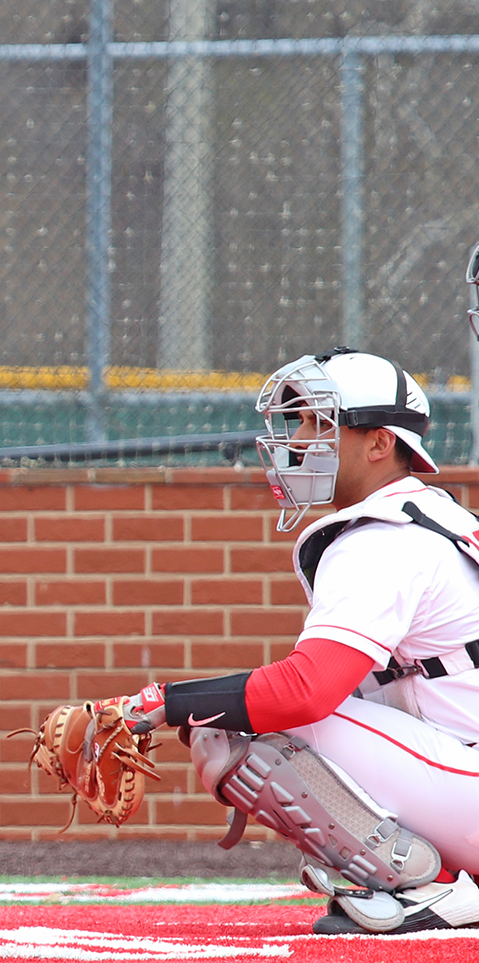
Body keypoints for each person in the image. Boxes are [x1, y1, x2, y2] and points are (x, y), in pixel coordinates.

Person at [103, 348, 479, 935]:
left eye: (318, 424)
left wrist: (152, 704)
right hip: (464, 770)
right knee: (256, 709)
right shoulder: (428, 516)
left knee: (234, 723)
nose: (299, 439)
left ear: (380, 443)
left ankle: (428, 886)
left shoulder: (385, 538)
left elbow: (305, 693)